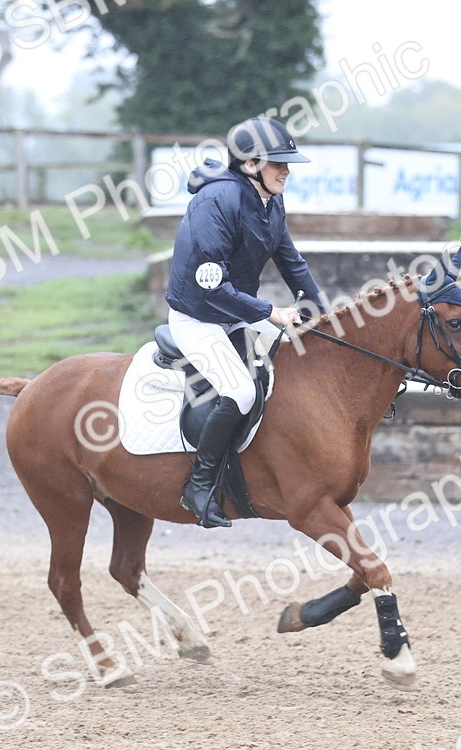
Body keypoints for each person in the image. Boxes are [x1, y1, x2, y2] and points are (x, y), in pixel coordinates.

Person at [166, 116, 328, 528]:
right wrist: (270, 312)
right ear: (252, 164)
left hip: (235, 315)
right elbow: (211, 287)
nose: (287, 171)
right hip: (199, 319)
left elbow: (292, 262)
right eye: (280, 163)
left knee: (296, 362)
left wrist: (323, 314)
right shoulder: (216, 202)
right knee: (239, 393)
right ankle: (199, 487)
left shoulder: (269, 201)